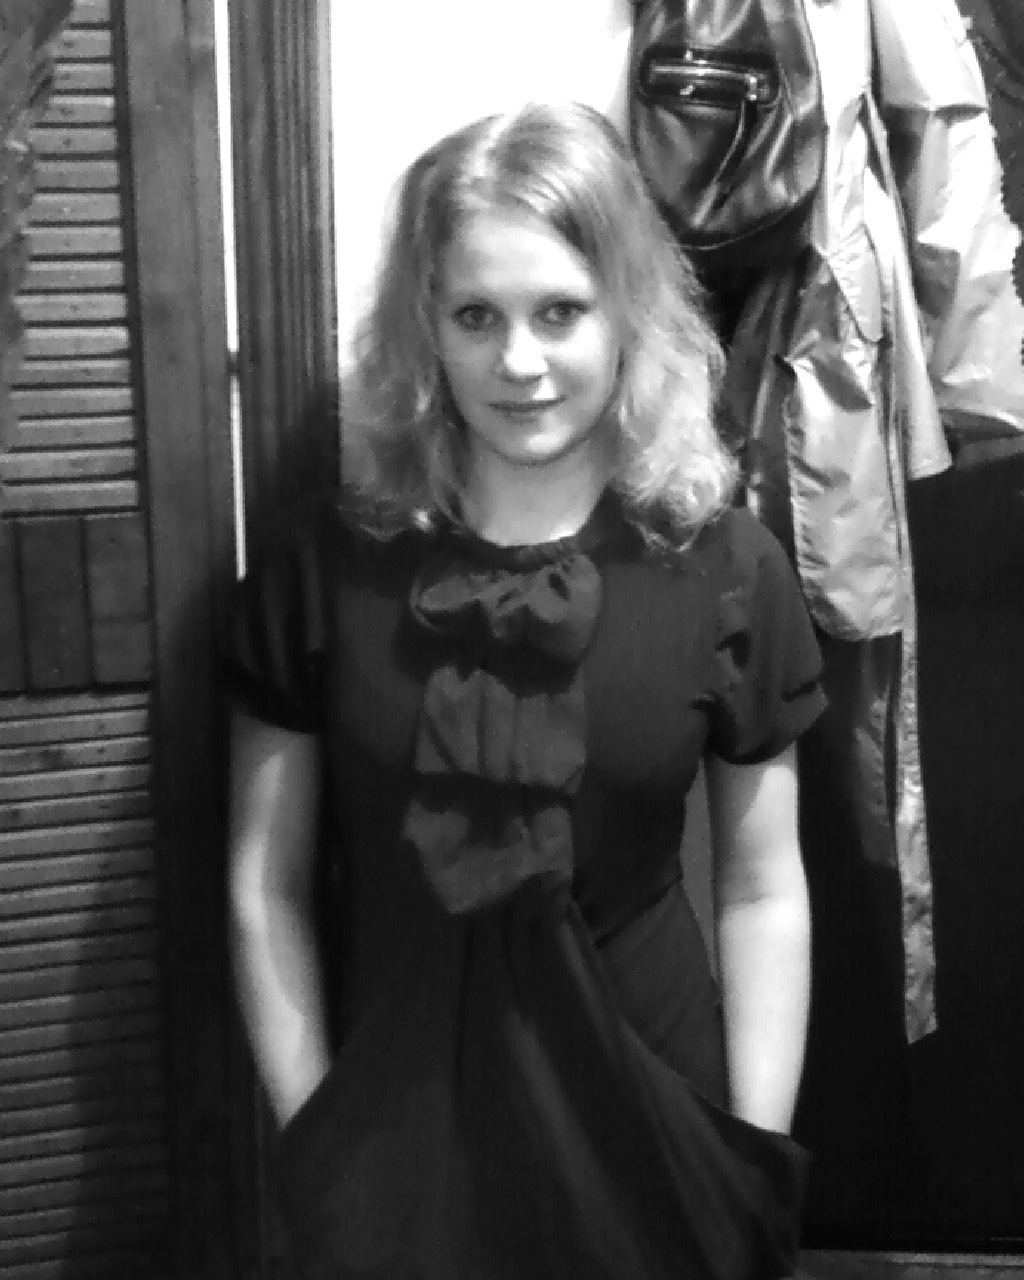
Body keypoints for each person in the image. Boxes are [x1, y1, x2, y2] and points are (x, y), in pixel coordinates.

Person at [223, 101, 825, 1280]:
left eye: (559, 310)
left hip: (660, 1125)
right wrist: (315, 1140)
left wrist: (747, 1153)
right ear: (426, 327)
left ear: (626, 310)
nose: (518, 361)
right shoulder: (319, 566)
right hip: (388, 1139)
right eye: (475, 315)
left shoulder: (728, 568)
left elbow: (762, 889)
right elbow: (263, 883)